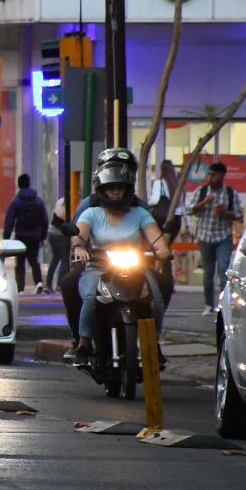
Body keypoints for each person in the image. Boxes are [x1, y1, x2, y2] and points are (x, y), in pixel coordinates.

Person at [70, 157, 171, 366]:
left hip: (137, 269)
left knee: (157, 300)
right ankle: (83, 343)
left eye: (120, 187)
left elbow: (157, 239)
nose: (115, 192)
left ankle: (154, 342)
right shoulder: (91, 213)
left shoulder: (140, 214)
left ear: (128, 189)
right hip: (99, 268)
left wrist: (162, 250)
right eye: (111, 187)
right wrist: (79, 247)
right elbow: (79, 235)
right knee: (91, 297)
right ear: (102, 189)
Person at [186, 160, 241, 317]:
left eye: (214, 175)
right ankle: (209, 305)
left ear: (222, 176)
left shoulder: (230, 193)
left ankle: (223, 304)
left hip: (223, 236)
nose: (210, 178)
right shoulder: (202, 191)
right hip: (205, 237)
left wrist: (225, 212)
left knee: (224, 268)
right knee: (208, 272)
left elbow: (238, 215)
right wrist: (204, 202)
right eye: (209, 174)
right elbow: (189, 210)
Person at [2, 173, 48, 293]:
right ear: (29, 183)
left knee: (20, 263)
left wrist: (6, 238)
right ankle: (38, 282)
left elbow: (10, 220)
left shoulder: (16, 201)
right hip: (35, 237)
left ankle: (20, 289)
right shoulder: (38, 201)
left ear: (19, 185)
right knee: (34, 261)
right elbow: (45, 220)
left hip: (21, 236)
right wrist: (42, 237)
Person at [147, 158, 182, 243]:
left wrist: (146, 204)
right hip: (176, 219)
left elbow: (155, 200)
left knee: (159, 245)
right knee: (167, 245)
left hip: (162, 218)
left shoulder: (159, 183)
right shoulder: (176, 184)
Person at [44, 194, 69, 292]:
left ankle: (48, 284)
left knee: (55, 258)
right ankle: (60, 285)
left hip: (52, 232)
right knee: (64, 260)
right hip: (60, 234)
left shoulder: (60, 201)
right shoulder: (67, 204)